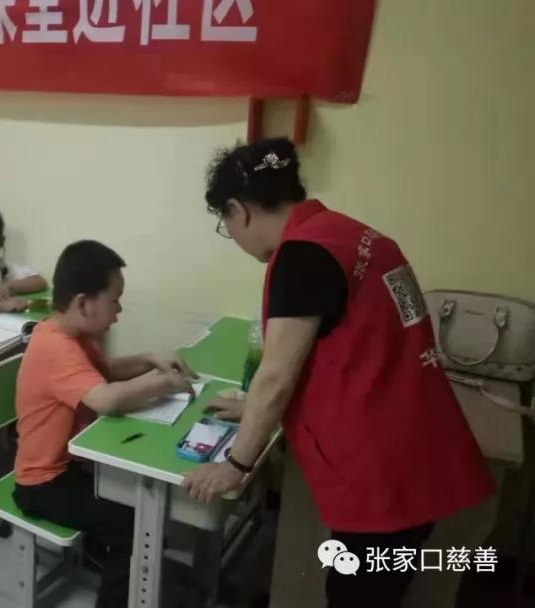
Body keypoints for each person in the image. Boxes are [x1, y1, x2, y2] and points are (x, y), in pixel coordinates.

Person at [182, 138, 495, 608]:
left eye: (226, 224)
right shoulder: (355, 236)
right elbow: (351, 348)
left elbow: (276, 377)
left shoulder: (300, 257)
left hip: (382, 472)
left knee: (358, 594)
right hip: (417, 448)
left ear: (238, 211)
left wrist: (235, 466)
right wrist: (254, 411)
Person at [13, 240, 196, 608]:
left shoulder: (73, 335)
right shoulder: (56, 347)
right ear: (84, 304)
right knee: (135, 523)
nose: (119, 309)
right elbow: (106, 399)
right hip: (44, 482)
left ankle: (128, 571)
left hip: (75, 466)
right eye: (115, 300)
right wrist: (159, 383)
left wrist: (150, 359)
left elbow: (105, 372)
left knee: (138, 502)